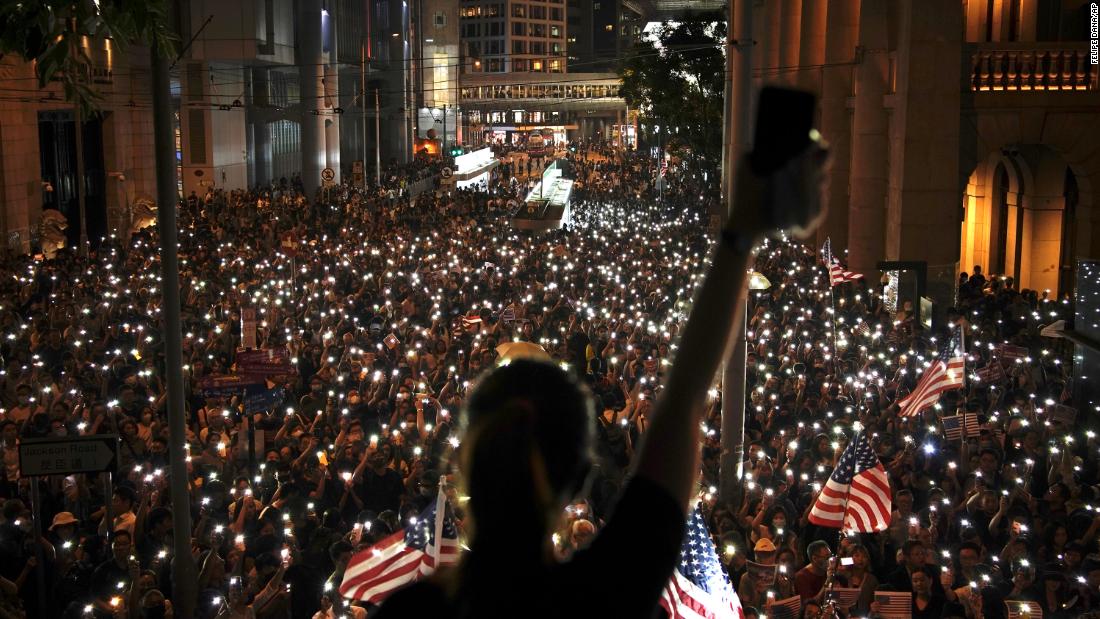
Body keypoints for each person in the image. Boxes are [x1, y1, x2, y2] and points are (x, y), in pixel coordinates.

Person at [372, 142, 830, 616]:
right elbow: (683, 401)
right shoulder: (602, 591)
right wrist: (742, 234)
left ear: (464, 465)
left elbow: (682, 402)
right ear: (576, 475)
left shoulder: (411, 610)